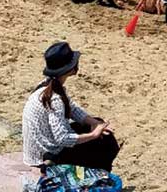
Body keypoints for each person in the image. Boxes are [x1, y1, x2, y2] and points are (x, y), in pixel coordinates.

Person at [22, 42, 120, 171]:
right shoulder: (55, 98)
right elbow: (62, 138)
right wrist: (94, 135)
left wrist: (94, 123)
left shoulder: (47, 85)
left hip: (38, 146)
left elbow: (72, 108)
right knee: (104, 143)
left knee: (97, 124)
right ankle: (98, 176)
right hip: (42, 154)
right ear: (70, 69)